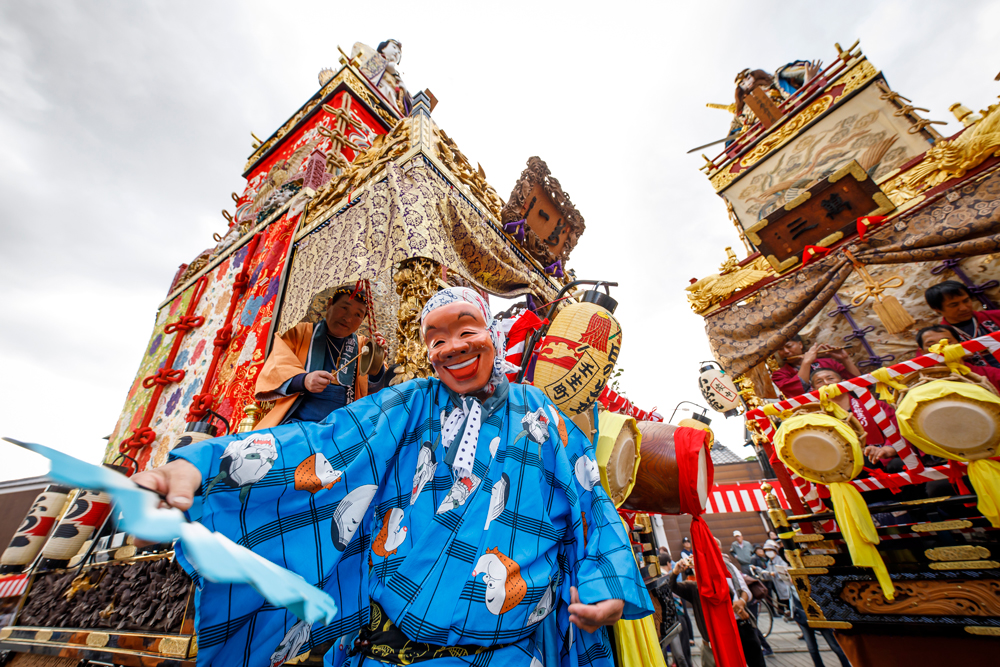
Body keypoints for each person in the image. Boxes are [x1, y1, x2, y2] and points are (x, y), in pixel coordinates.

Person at [134, 287, 651, 667]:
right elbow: (324, 444)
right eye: (436, 337)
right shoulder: (409, 403)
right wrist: (199, 465)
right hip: (381, 652)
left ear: (492, 334)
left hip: (506, 655)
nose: (452, 346)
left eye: (466, 329)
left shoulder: (543, 415)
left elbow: (593, 503)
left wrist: (604, 583)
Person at [254, 284, 386, 429]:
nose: (348, 318)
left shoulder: (363, 347)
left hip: (344, 429)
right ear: (330, 304)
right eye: (344, 308)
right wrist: (304, 380)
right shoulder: (299, 333)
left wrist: (377, 360)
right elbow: (276, 368)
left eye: (358, 315)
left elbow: (376, 390)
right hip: (296, 424)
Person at [668, 547, 766, 667]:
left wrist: (741, 602)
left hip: (740, 626)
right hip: (712, 641)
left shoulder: (727, 569)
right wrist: (675, 572)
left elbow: (735, 591)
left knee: (755, 661)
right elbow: (671, 586)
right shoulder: (694, 588)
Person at [925, 280, 1000, 368]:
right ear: (936, 308)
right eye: (954, 305)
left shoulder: (996, 316)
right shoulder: (936, 337)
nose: (964, 308)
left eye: (966, 301)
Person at [771, 334, 860, 398]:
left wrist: (845, 359)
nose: (786, 351)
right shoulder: (779, 375)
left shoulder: (827, 362)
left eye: (789, 346)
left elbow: (859, 383)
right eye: (780, 349)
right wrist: (806, 363)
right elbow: (796, 392)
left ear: (800, 344)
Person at [916, 324, 1000, 388]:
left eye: (948, 342)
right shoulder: (921, 384)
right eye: (932, 345)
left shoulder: (991, 374)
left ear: (960, 344)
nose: (941, 348)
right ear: (922, 352)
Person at [789, 592, 851, 667]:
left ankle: (846, 665)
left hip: (819, 616)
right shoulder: (791, 585)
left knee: (834, 646)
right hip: (803, 615)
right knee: (812, 647)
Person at [759, 541, 791, 618]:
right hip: (778, 586)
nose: (768, 552)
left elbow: (784, 570)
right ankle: (786, 613)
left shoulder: (780, 559)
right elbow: (769, 573)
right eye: (766, 551)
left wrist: (775, 573)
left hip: (785, 584)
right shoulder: (770, 562)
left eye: (770, 550)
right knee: (783, 600)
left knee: (789, 600)